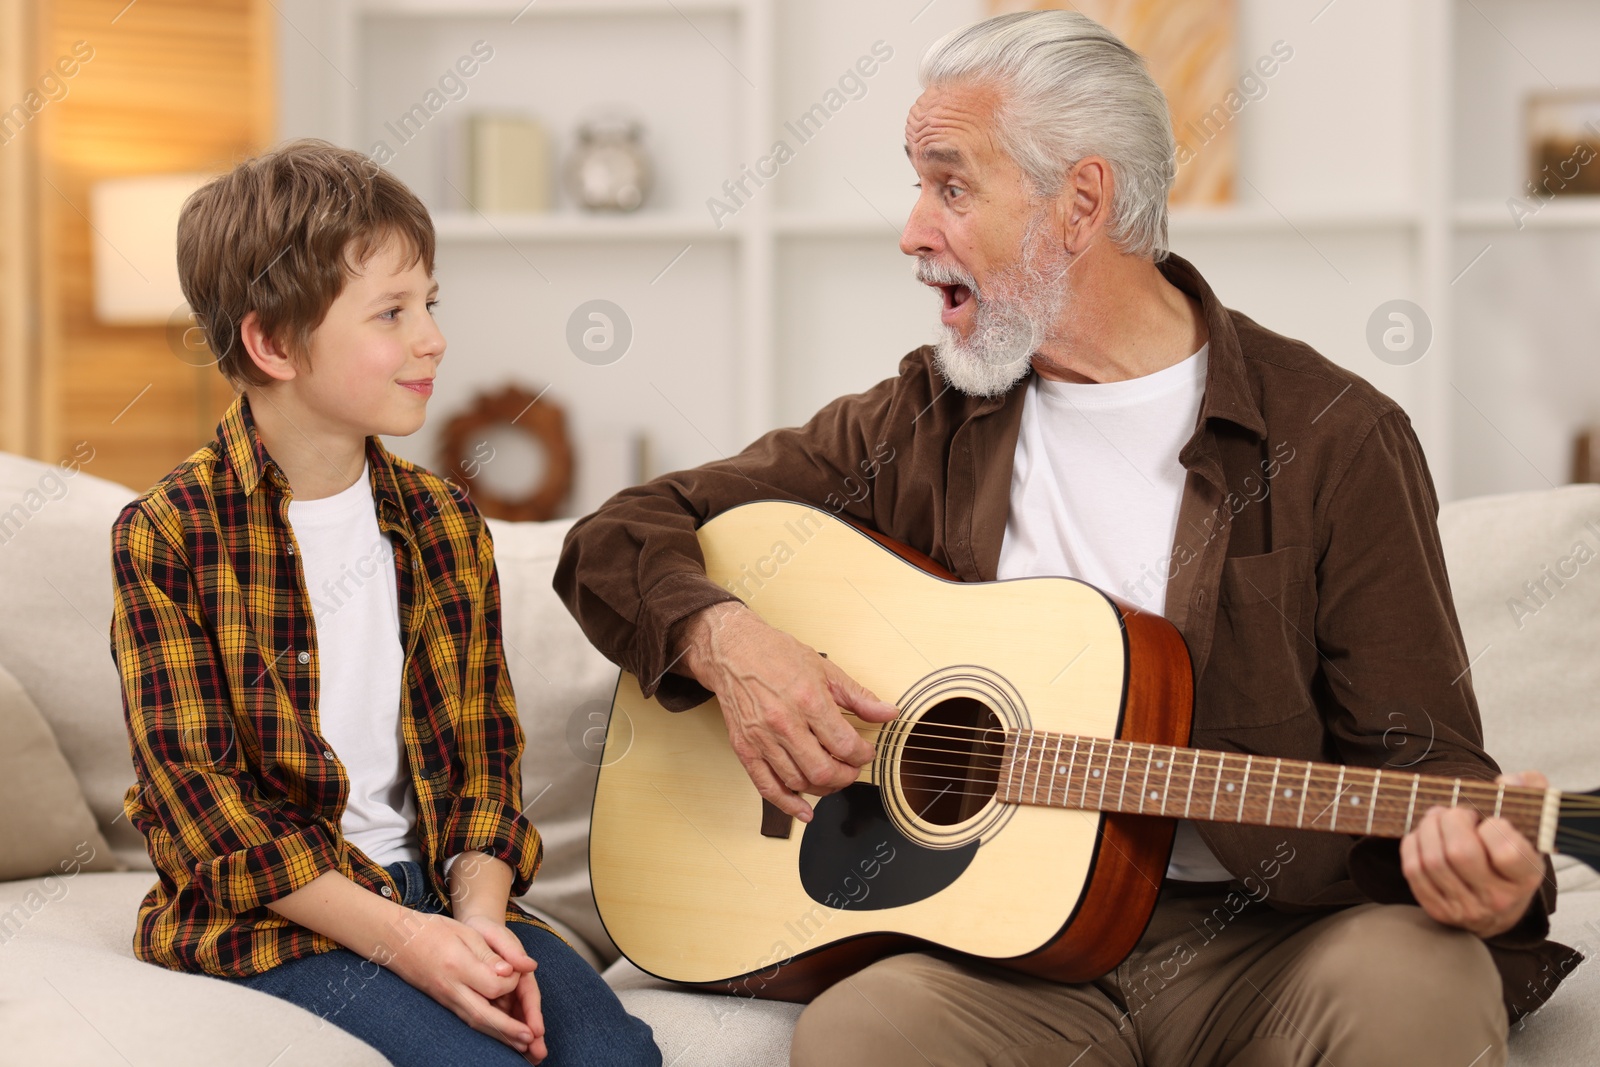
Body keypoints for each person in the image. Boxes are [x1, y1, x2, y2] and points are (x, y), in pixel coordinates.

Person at [555, 12, 1579, 1066]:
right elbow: (615, 536)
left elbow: (1428, 763)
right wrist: (731, 644)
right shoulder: (920, 419)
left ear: (1079, 202)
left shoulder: (1334, 437)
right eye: (916, 184)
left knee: (1424, 982)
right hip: (1003, 961)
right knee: (862, 1030)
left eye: (950, 186)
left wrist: (1490, 879)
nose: (911, 227)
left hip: (1272, 944)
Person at [109, 138, 658, 1067]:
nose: (433, 337)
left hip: (442, 891)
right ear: (273, 342)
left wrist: (477, 927)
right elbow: (205, 810)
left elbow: (486, 762)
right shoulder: (168, 536)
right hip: (278, 915)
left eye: (431, 304)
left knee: (620, 1057)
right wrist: (408, 943)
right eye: (392, 312)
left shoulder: (444, 522)